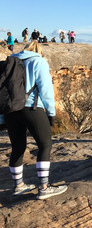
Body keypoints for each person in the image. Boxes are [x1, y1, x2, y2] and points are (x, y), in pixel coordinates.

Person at [0, 40, 68, 199]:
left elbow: (1, 93)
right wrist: (51, 113)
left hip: (11, 111)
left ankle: (19, 186)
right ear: (39, 51)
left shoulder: (9, 62)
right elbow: (46, 90)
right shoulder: (39, 61)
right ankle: (44, 187)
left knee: (17, 147)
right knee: (45, 144)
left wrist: (2, 118)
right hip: (32, 108)